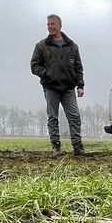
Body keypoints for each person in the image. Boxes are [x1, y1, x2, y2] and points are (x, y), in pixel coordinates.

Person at [30, 14, 86, 156]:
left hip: (68, 88)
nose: (50, 27)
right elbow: (34, 66)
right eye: (48, 24)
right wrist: (48, 74)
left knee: (74, 116)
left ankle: (77, 146)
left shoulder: (72, 46)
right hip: (51, 88)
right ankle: (56, 147)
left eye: (53, 24)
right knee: (52, 117)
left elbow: (78, 67)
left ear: (60, 26)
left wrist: (80, 85)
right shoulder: (41, 46)